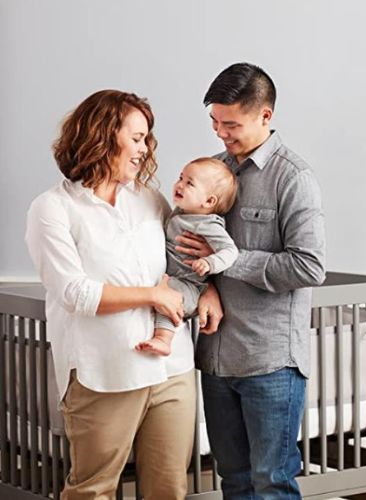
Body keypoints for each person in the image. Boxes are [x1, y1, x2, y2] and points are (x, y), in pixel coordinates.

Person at [25, 89, 222, 500]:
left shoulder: (150, 200)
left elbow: (182, 259)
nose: (144, 149)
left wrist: (211, 291)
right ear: (101, 135)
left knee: (169, 489)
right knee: (92, 490)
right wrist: (151, 295)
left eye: (147, 139)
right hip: (105, 373)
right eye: (135, 137)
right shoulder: (53, 209)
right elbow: (75, 292)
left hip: (172, 371)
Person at [186, 63, 326, 498]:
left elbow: (308, 266)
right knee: (234, 481)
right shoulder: (212, 172)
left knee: (271, 484)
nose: (221, 133)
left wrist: (227, 260)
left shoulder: (294, 177)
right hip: (216, 358)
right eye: (215, 123)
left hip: (270, 363)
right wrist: (206, 280)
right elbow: (192, 250)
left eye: (231, 124)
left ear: (265, 117)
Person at [136, 157, 238, 356]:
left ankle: (163, 339)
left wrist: (209, 262)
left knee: (170, 296)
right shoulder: (181, 212)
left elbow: (230, 251)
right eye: (181, 178)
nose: (180, 185)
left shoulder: (208, 224)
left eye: (189, 183)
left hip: (190, 287)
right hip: (177, 279)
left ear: (209, 201)